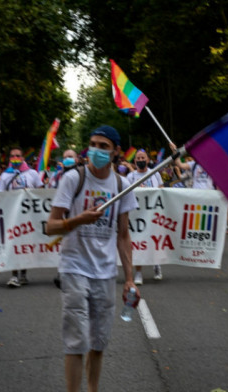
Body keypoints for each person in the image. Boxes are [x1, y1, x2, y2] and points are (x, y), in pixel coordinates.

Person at [46, 125, 140, 392]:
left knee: (99, 343)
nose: (96, 151)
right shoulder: (73, 179)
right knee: (76, 343)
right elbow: (50, 226)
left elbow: (123, 236)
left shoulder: (122, 186)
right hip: (74, 268)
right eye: (93, 145)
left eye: (103, 146)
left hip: (105, 273)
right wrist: (78, 219)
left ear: (116, 152)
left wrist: (130, 280)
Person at [0, 147, 43, 288]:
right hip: (11, 215)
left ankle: (23, 273)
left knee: (24, 245)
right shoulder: (5, 176)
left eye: (18, 155)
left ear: (23, 158)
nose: (15, 158)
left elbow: (41, 192)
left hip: (28, 215)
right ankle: (14, 275)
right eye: (12, 156)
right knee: (12, 245)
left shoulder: (32, 174)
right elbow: (0, 195)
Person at [126, 149, 164, 284]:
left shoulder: (155, 174)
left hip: (153, 214)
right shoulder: (130, 177)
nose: (140, 160)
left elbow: (161, 191)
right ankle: (138, 273)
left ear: (148, 160)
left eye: (143, 158)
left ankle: (156, 266)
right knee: (138, 243)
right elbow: (127, 193)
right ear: (135, 161)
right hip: (138, 215)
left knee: (155, 240)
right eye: (138, 158)